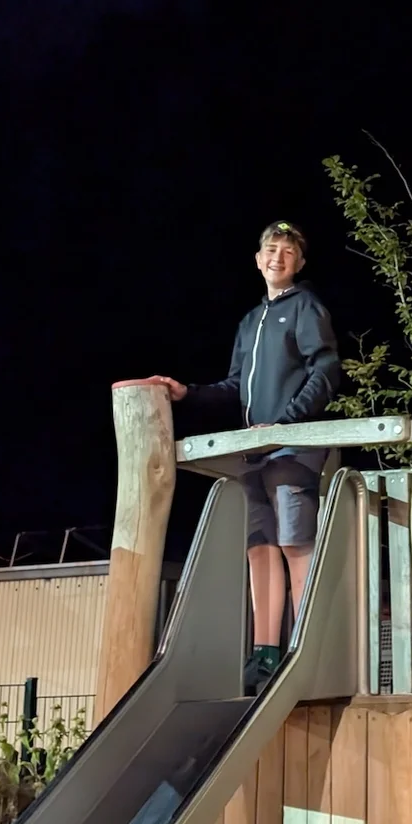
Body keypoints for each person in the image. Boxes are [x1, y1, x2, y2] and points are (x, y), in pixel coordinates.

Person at [143, 219, 343, 694]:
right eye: (271, 249)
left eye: (289, 252)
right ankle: (266, 652)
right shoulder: (250, 322)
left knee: (296, 542)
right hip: (254, 453)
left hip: (291, 447)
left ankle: (303, 645)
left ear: (299, 263)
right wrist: (185, 393)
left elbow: (327, 368)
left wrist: (288, 422)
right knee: (259, 546)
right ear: (257, 260)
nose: (278, 257)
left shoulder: (305, 306)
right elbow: (235, 387)